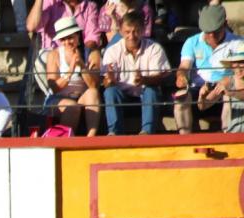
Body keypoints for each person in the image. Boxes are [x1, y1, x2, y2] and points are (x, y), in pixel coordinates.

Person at [174, 4, 241, 135]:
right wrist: (181, 76)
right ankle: (184, 140)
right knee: (180, 99)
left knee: (229, 96)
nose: (210, 36)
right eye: (207, 32)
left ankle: (227, 137)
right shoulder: (192, 42)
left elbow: (240, 72)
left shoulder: (238, 43)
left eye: (215, 32)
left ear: (225, 24)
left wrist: (225, 83)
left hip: (225, 86)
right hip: (198, 87)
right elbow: (184, 66)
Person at [101, 10, 170, 135]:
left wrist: (144, 80)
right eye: (127, 32)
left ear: (143, 31)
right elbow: (106, 82)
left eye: (136, 31)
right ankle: (114, 133)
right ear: (121, 32)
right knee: (110, 92)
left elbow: (161, 77)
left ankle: (146, 133)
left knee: (151, 90)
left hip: (145, 92)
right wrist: (109, 80)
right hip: (122, 94)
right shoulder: (112, 51)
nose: (131, 36)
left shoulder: (154, 48)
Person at [45, 16, 100, 136]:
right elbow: (54, 87)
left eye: (70, 38)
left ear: (78, 36)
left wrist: (81, 65)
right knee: (73, 107)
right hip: (58, 99)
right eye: (63, 39)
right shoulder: (54, 55)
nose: (67, 42)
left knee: (93, 92)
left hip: (81, 97)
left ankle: (91, 138)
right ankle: (66, 140)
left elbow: (94, 85)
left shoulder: (92, 53)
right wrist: (70, 71)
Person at [198, 44, 244, 133]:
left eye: (242, 62)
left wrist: (229, 93)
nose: (238, 67)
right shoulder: (226, 81)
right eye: (235, 63)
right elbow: (203, 106)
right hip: (232, 134)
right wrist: (202, 96)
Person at [26, 0, 101, 51]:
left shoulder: (89, 6)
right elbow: (31, 26)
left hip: (77, 56)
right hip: (51, 56)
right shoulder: (50, 2)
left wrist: (90, 53)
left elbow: (92, 38)